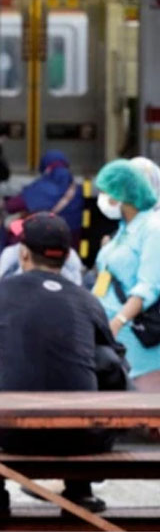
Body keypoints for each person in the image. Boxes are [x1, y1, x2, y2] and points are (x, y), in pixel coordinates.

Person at [0, 213, 127, 515]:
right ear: (67, 255)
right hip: (81, 437)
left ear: (23, 252)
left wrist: (6, 364)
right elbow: (112, 365)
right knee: (98, 381)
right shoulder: (87, 300)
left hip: (15, 435)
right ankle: (79, 490)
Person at [92, 159, 160, 388]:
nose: (101, 199)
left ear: (122, 195)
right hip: (111, 336)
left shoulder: (153, 228)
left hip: (136, 338)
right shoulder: (122, 231)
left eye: (105, 192)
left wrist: (118, 321)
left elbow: (149, 286)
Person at [4, 150, 80, 240]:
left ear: (46, 168)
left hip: (40, 235)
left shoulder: (43, 185)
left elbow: (11, 207)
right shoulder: (76, 189)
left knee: (10, 224)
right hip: (69, 241)